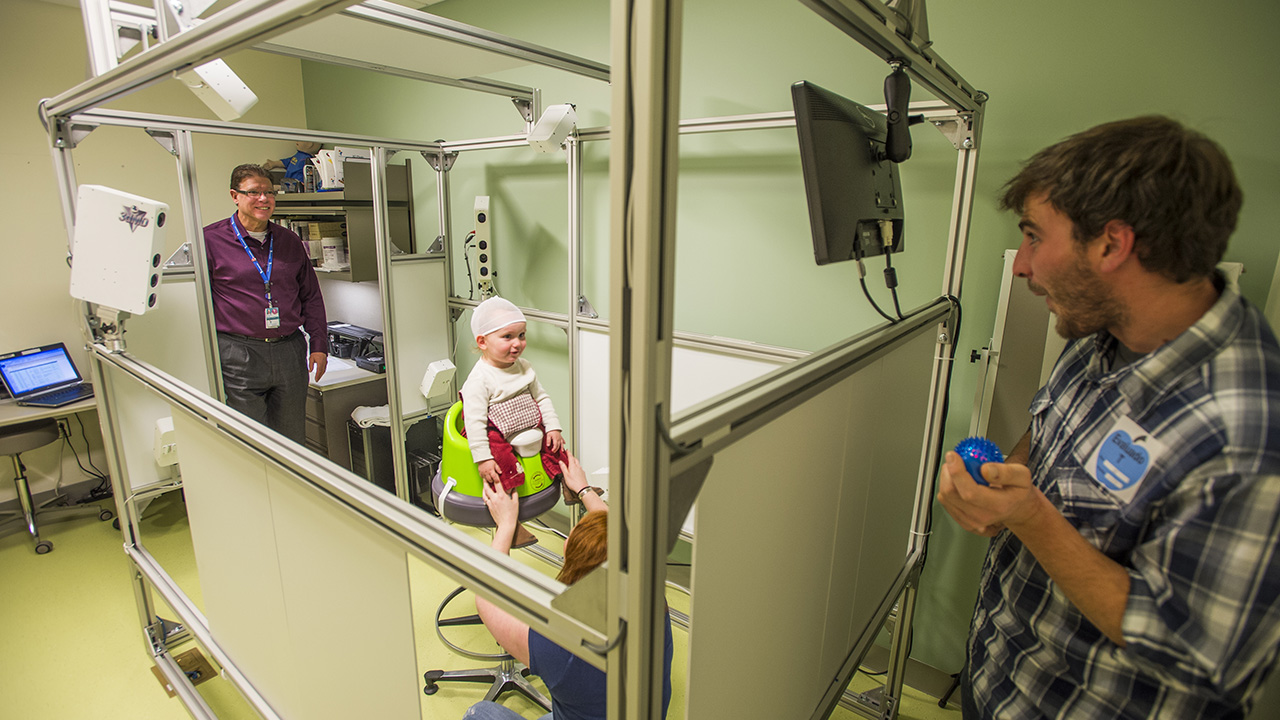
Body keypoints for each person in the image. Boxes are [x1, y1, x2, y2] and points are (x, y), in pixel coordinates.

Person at [937, 115, 1280, 718]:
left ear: (1111, 245)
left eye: (1034, 237)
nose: (1021, 266)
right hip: (1002, 680)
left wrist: (1029, 518)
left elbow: (1201, 658)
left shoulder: (1250, 436)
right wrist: (1001, 485)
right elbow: (1047, 429)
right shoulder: (1103, 331)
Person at [465, 453, 674, 720]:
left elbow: (486, 597)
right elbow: (622, 543)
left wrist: (506, 525)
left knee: (479, 712)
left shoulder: (561, 644)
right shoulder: (650, 596)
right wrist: (584, 490)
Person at [204, 163, 328, 443]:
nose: (263, 199)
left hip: (289, 350)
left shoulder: (289, 241)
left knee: (292, 438)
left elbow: (310, 296)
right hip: (239, 352)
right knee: (251, 440)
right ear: (235, 196)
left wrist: (319, 344)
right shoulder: (210, 241)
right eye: (254, 192)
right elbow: (198, 300)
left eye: (269, 192)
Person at [461, 296, 571, 546]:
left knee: (556, 445)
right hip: (493, 429)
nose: (517, 343)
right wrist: (483, 458)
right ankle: (510, 524)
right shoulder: (480, 380)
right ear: (482, 342)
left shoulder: (524, 367)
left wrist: (553, 427)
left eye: (521, 335)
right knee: (501, 465)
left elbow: (541, 398)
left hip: (524, 419)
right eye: (507, 337)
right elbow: (475, 423)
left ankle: (569, 484)